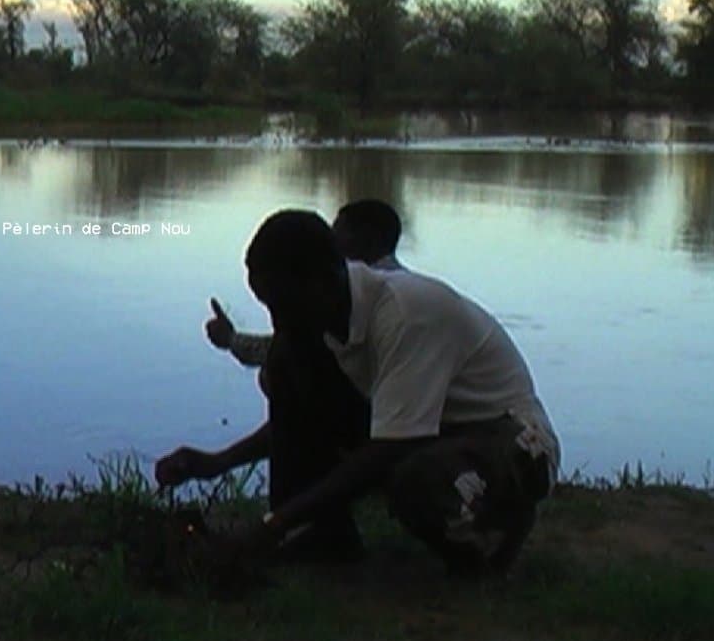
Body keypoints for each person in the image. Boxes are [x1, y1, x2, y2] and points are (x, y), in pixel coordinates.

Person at [157, 210, 560, 577]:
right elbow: (299, 421)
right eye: (269, 307)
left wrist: (272, 526)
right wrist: (218, 462)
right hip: (436, 434)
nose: (278, 321)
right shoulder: (327, 320)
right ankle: (325, 536)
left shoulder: (406, 314)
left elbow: (391, 448)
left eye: (283, 305)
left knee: (414, 480)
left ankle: (492, 541)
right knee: (285, 366)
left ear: (325, 279)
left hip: (511, 439)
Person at [226, 198, 405, 369]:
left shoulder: (366, 305)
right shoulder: (401, 286)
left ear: (366, 241)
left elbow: (291, 349)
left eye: (338, 234)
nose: (331, 242)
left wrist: (231, 339)